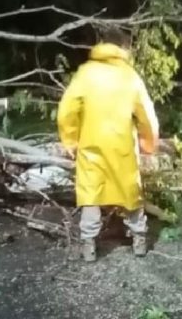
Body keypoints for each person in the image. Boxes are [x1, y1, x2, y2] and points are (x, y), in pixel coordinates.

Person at [57, 27, 159, 262]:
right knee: (130, 192)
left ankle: (89, 245)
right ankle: (139, 239)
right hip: (122, 144)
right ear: (123, 48)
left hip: (91, 144)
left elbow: (67, 109)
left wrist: (70, 140)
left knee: (90, 194)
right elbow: (146, 113)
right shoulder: (129, 76)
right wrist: (148, 143)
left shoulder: (86, 73)